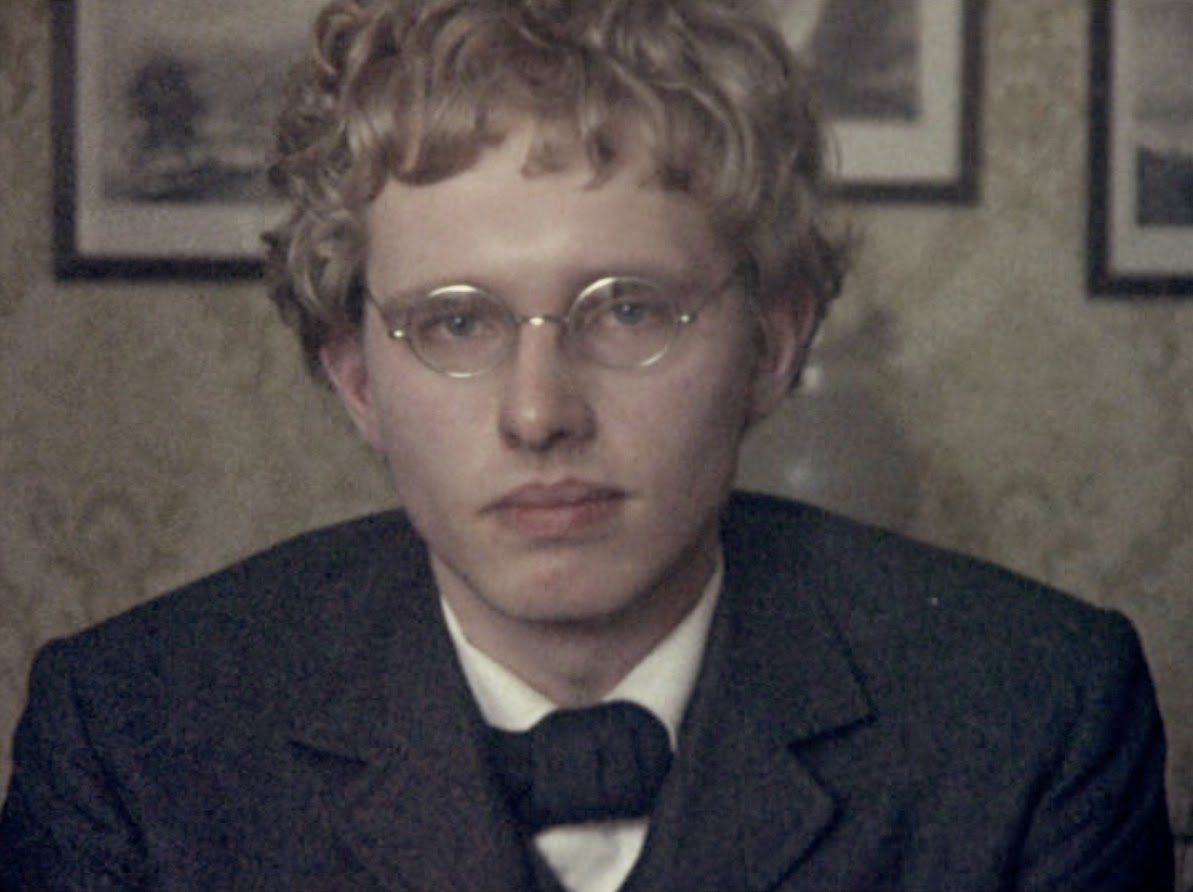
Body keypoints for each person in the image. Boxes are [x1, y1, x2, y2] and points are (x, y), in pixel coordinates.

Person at [0, 0, 1174, 889]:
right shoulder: (128, 739)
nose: (537, 412)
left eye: (628, 310)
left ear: (771, 345)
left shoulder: (1036, 717)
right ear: (357, 381)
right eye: (455, 322)